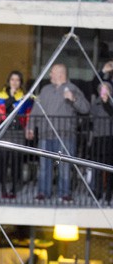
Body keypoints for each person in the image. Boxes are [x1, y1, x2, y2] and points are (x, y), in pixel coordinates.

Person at [26, 63, 90, 203]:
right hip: (45, 135)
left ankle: (64, 194)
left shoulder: (73, 89)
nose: (50, 75)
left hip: (65, 136)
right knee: (44, 166)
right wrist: (30, 127)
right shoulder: (45, 90)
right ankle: (43, 192)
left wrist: (73, 99)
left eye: (52, 72)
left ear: (60, 74)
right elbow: (36, 110)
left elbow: (85, 108)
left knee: (64, 167)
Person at [0, 71, 32, 199]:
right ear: (8, 81)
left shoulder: (25, 97)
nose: (15, 82)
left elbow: (25, 113)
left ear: (20, 83)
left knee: (16, 161)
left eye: (17, 80)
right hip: (5, 131)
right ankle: (3, 188)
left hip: (18, 131)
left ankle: (14, 189)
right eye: (12, 80)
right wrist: (13, 98)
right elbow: (0, 112)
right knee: (4, 161)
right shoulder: (1, 95)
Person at [89, 82, 113, 205]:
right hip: (98, 137)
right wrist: (101, 101)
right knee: (97, 168)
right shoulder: (95, 103)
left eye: (106, 89)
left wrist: (106, 102)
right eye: (102, 89)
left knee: (109, 168)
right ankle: (97, 192)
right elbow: (93, 115)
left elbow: (111, 114)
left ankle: (108, 194)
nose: (103, 91)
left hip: (109, 138)